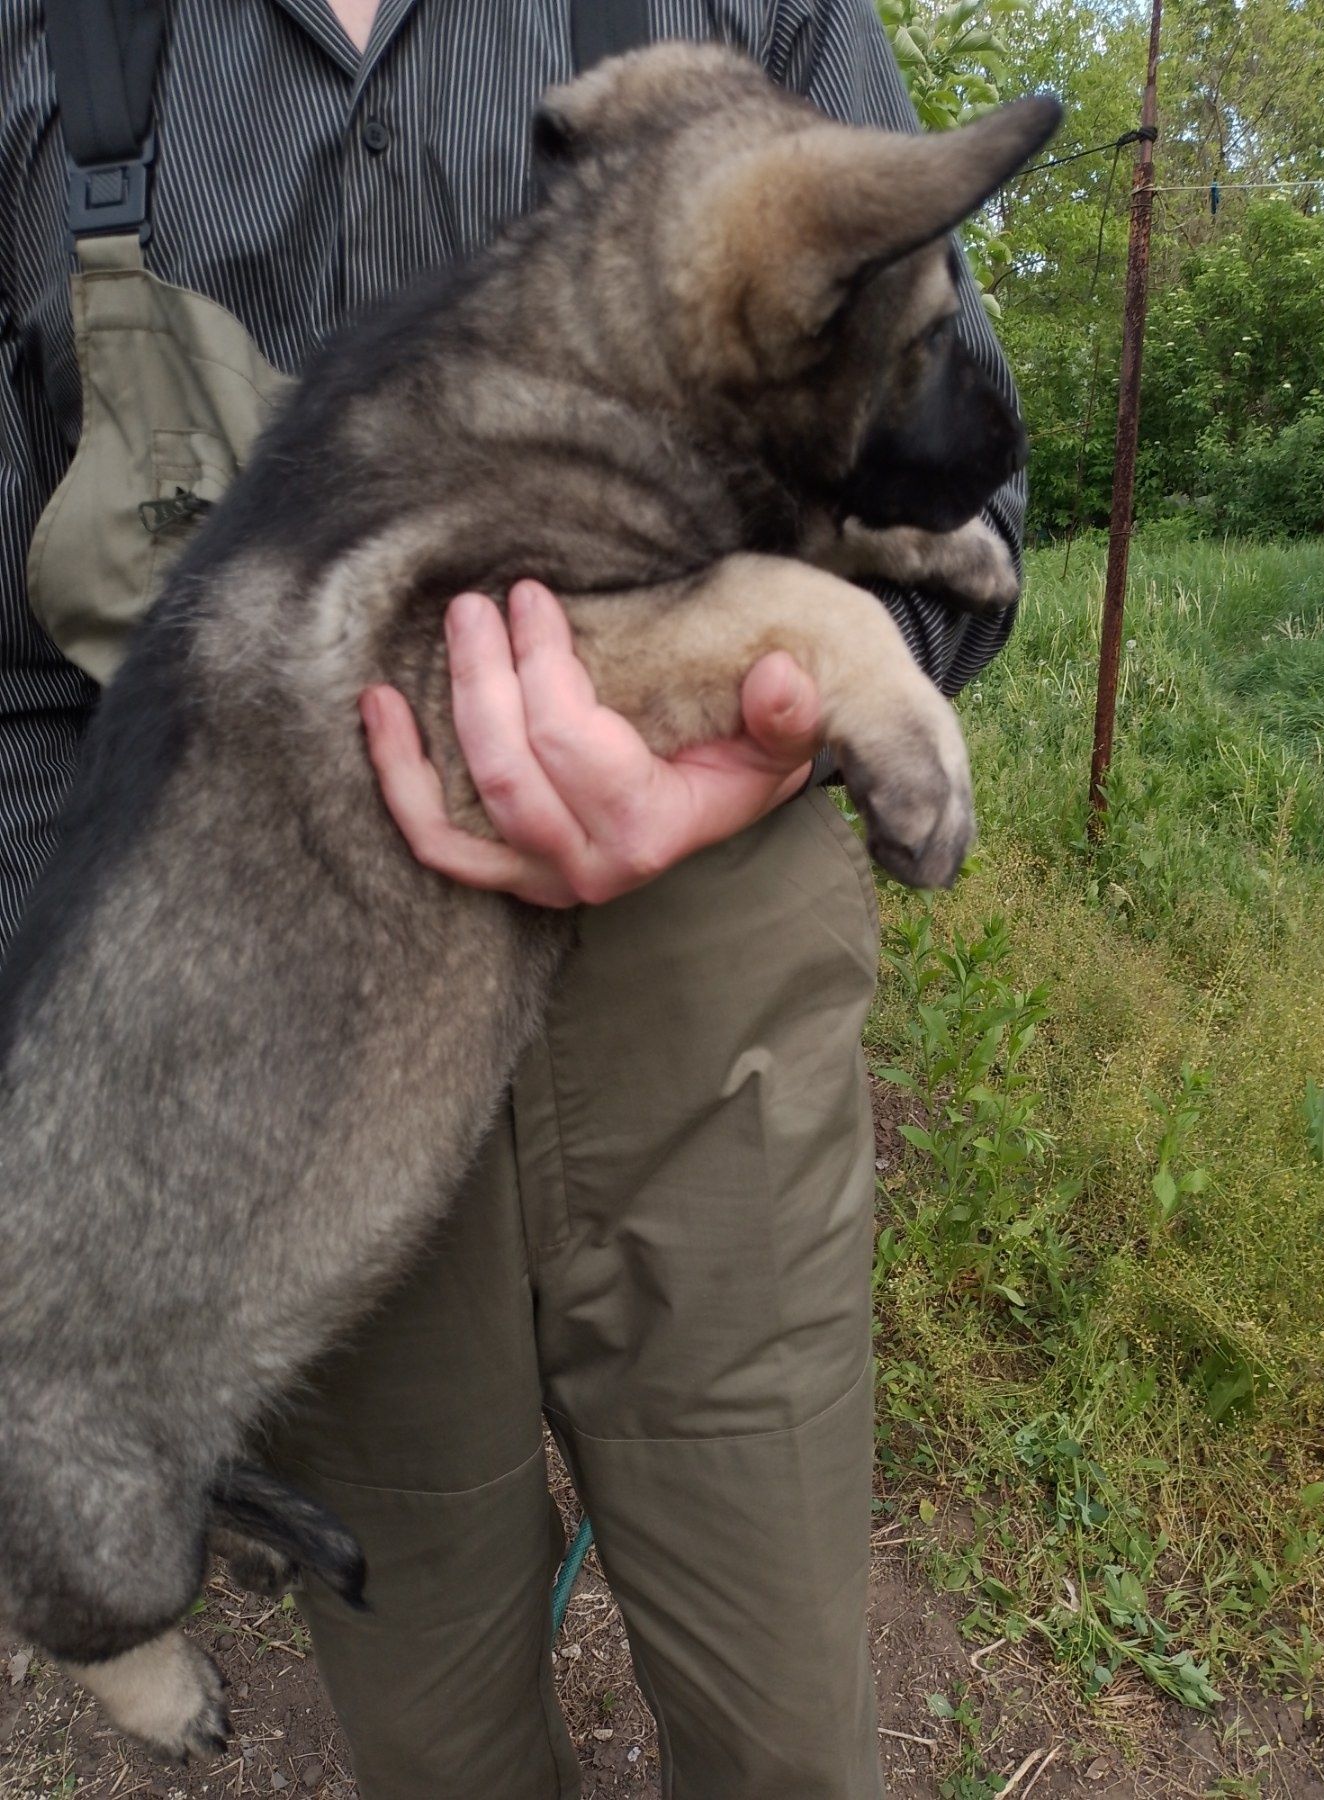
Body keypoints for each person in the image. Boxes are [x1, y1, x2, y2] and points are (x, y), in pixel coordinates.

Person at [0, 1, 1026, 1793]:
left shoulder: (742, 19)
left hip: (710, 1010)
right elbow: (14, 655)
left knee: (787, 1722)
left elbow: (945, 455)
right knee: (436, 1743)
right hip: (300, 1043)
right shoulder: (45, 44)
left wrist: (815, 689)